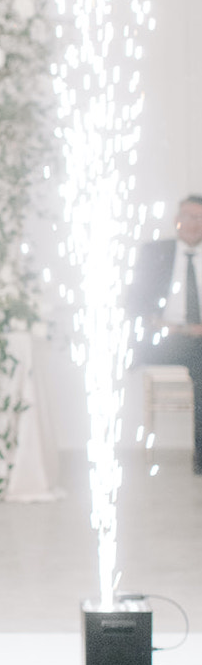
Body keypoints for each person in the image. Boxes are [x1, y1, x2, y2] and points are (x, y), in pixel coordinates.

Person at [127, 195, 202, 473]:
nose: (194, 224)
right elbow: (133, 300)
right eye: (188, 216)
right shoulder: (155, 252)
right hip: (164, 340)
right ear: (176, 220)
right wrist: (158, 322)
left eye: (200, 218)